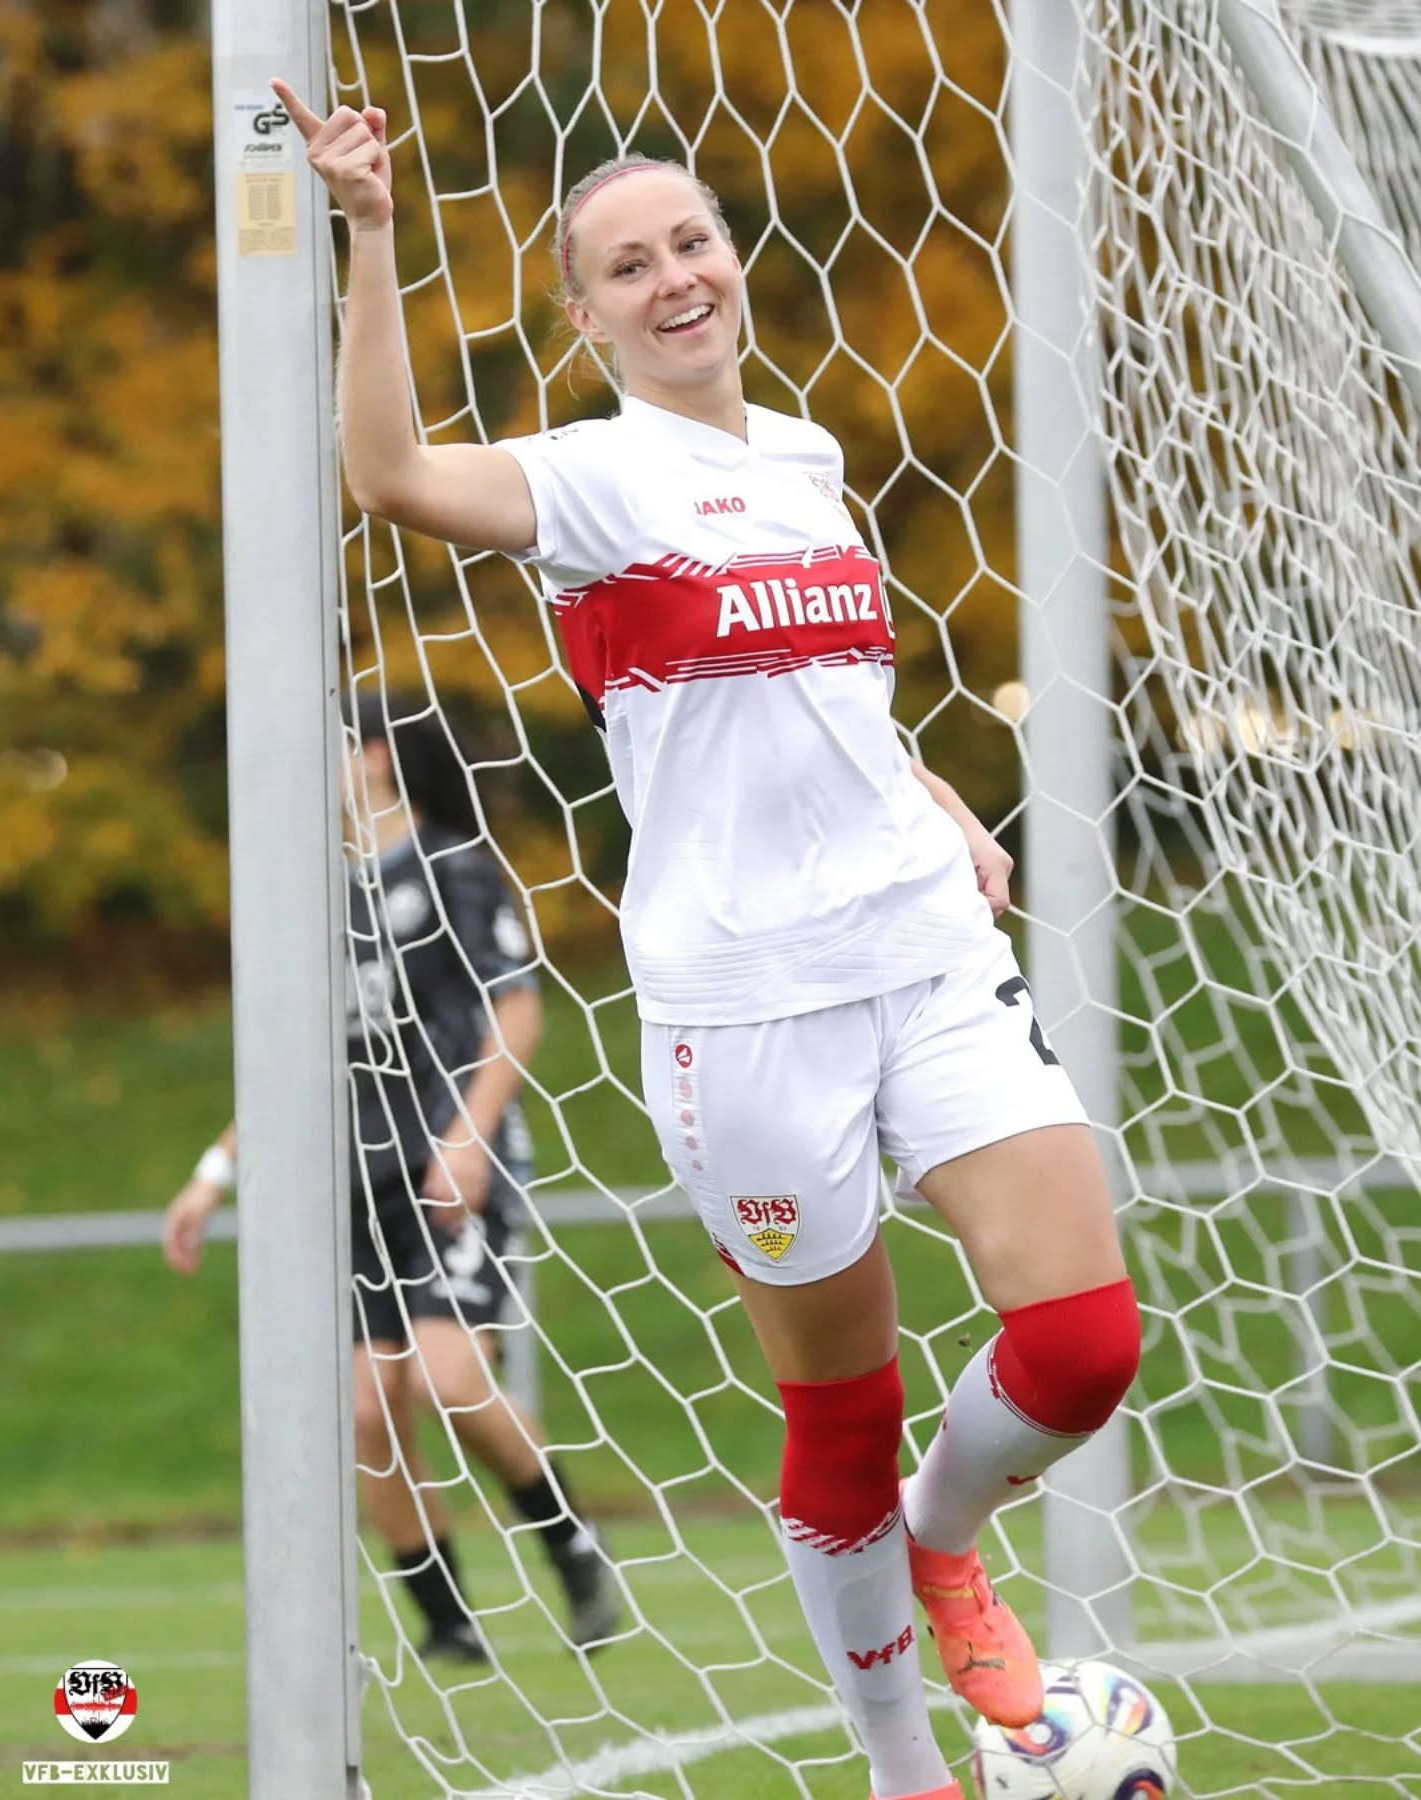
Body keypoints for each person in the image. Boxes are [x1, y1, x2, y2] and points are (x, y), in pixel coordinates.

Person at [271, 78, 1141, 1800]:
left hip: (922, 949)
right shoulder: (597, 481)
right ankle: (907, 1768)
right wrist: (371, 231)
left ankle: (943, 1538)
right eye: (626, 264)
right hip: (745, 1011)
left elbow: (823, 701)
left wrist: (935, 794)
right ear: (584, 312)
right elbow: (387, 473)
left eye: (693, 242)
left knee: (1083, 1345)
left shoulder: (808, 456)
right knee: (839, 1413)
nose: (674, 278)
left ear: (734, 261)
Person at [164, 692, 620, 1664]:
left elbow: (520, 1013)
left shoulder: (452, 866)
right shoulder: (315, 893)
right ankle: (447, 1620)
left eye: (335, 745)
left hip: (450, 1160)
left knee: (453, 1378)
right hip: (350, 1180)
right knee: (367, 1405)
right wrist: (214, 1174)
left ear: (373, 757)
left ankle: (574, 1549)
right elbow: (294, 1061)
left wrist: (468, 1134)